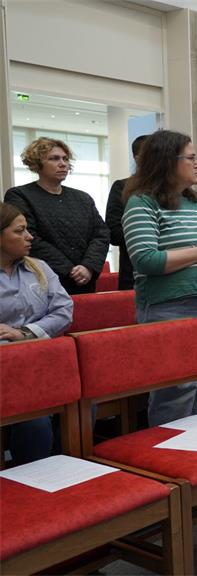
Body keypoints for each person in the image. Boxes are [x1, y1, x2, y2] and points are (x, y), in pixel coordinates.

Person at [122, 130, 197, 426]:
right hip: (170, 306)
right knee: (176, 390)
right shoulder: (142, 203)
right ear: (167, 161)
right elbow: (145, 259)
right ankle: (171, 449)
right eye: (191, 158)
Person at [0, 202, 74, 464]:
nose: (29, 237)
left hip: (44, 358)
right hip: (7, 367)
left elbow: (64, 310)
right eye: (19, 231)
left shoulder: (39, 267)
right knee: (36, 419)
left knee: (82, 399)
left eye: (27, 229)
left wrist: (25, 332)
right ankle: (34, 474)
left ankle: (69, 465)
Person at [4, 137, 110, 295]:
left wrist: (88, 266)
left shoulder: (82, 198)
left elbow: (101, 234)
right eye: (54, 158)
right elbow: (29, 237)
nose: (63, 164)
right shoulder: (20, 195)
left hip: (84, 280)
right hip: (41, 280)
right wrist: (70, 270)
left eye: (65, 159)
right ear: (37, 164)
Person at [105, 134, 148, 290]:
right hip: (134, 274)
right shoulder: (122, 187)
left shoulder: (173, 189)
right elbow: (114, 232)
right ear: (138, 159)